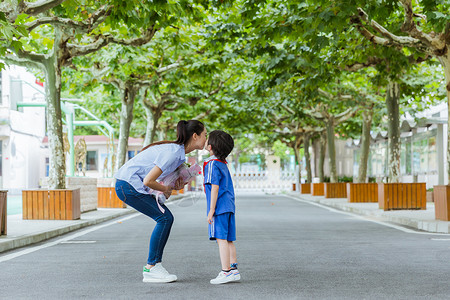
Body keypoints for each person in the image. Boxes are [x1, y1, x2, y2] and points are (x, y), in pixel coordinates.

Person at [114, 120, 207, 283]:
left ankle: (153, 266)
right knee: (164, 218)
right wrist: (167, 189)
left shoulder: (178, 155)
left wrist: (173, 184)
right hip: (128, 185)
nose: (206, 138)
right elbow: (148, 181)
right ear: (195, 136)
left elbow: (157, 182)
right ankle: (151, 268)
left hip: (129, 185)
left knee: (165, 218)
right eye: (205, 134)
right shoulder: (173, 153)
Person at [203, 130, 240, 284]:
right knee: (229, 239)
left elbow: (215, 187)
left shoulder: (212, 164)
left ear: (210, 146)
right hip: (229, 205)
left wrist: (211, 210)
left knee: (221, 239)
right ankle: (233, 269)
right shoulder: (223, 163)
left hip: (219, 207)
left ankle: (225, 272)